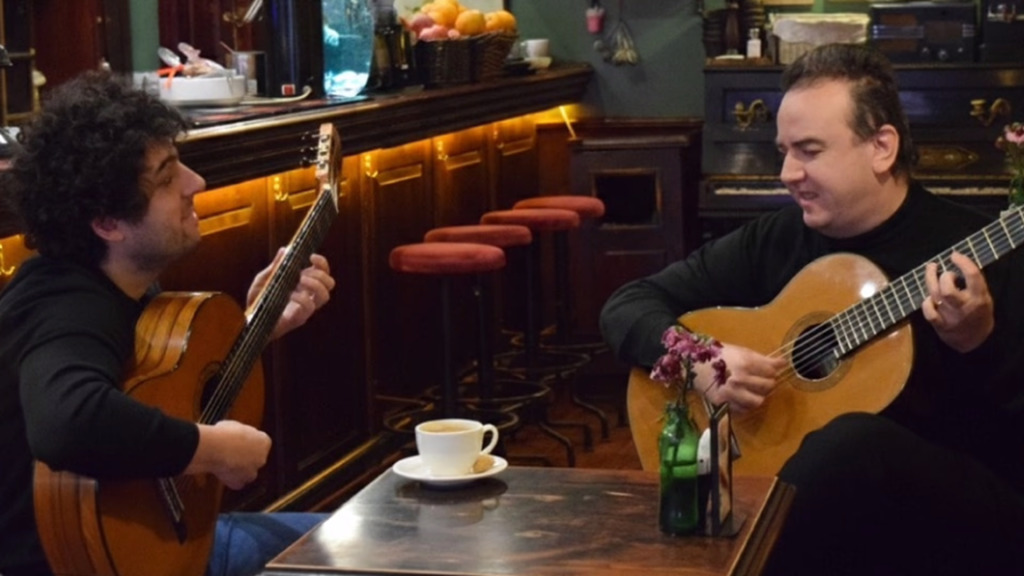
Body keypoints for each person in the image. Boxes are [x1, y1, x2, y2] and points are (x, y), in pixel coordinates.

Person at [601, 43, 1024, 574]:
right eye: (784, 150)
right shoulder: (777, 239)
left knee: (851, 443)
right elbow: (627, 304)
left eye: (809, 150)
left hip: (959, 514)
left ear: (881, 148)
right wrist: (701, 361)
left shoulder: (979, 249)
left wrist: (979, 342)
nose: (786, 173)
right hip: (817, 520)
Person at [0, 72, 336, 576]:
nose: (195, 183)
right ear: (107, 223)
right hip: (78, 563)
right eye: (165, 176)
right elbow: (68, 423)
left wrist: (258, 329)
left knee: (374, 539)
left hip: (156, 545)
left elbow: (159, 395)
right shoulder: (63, 306)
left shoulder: (126, 284)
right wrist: (215, 449)